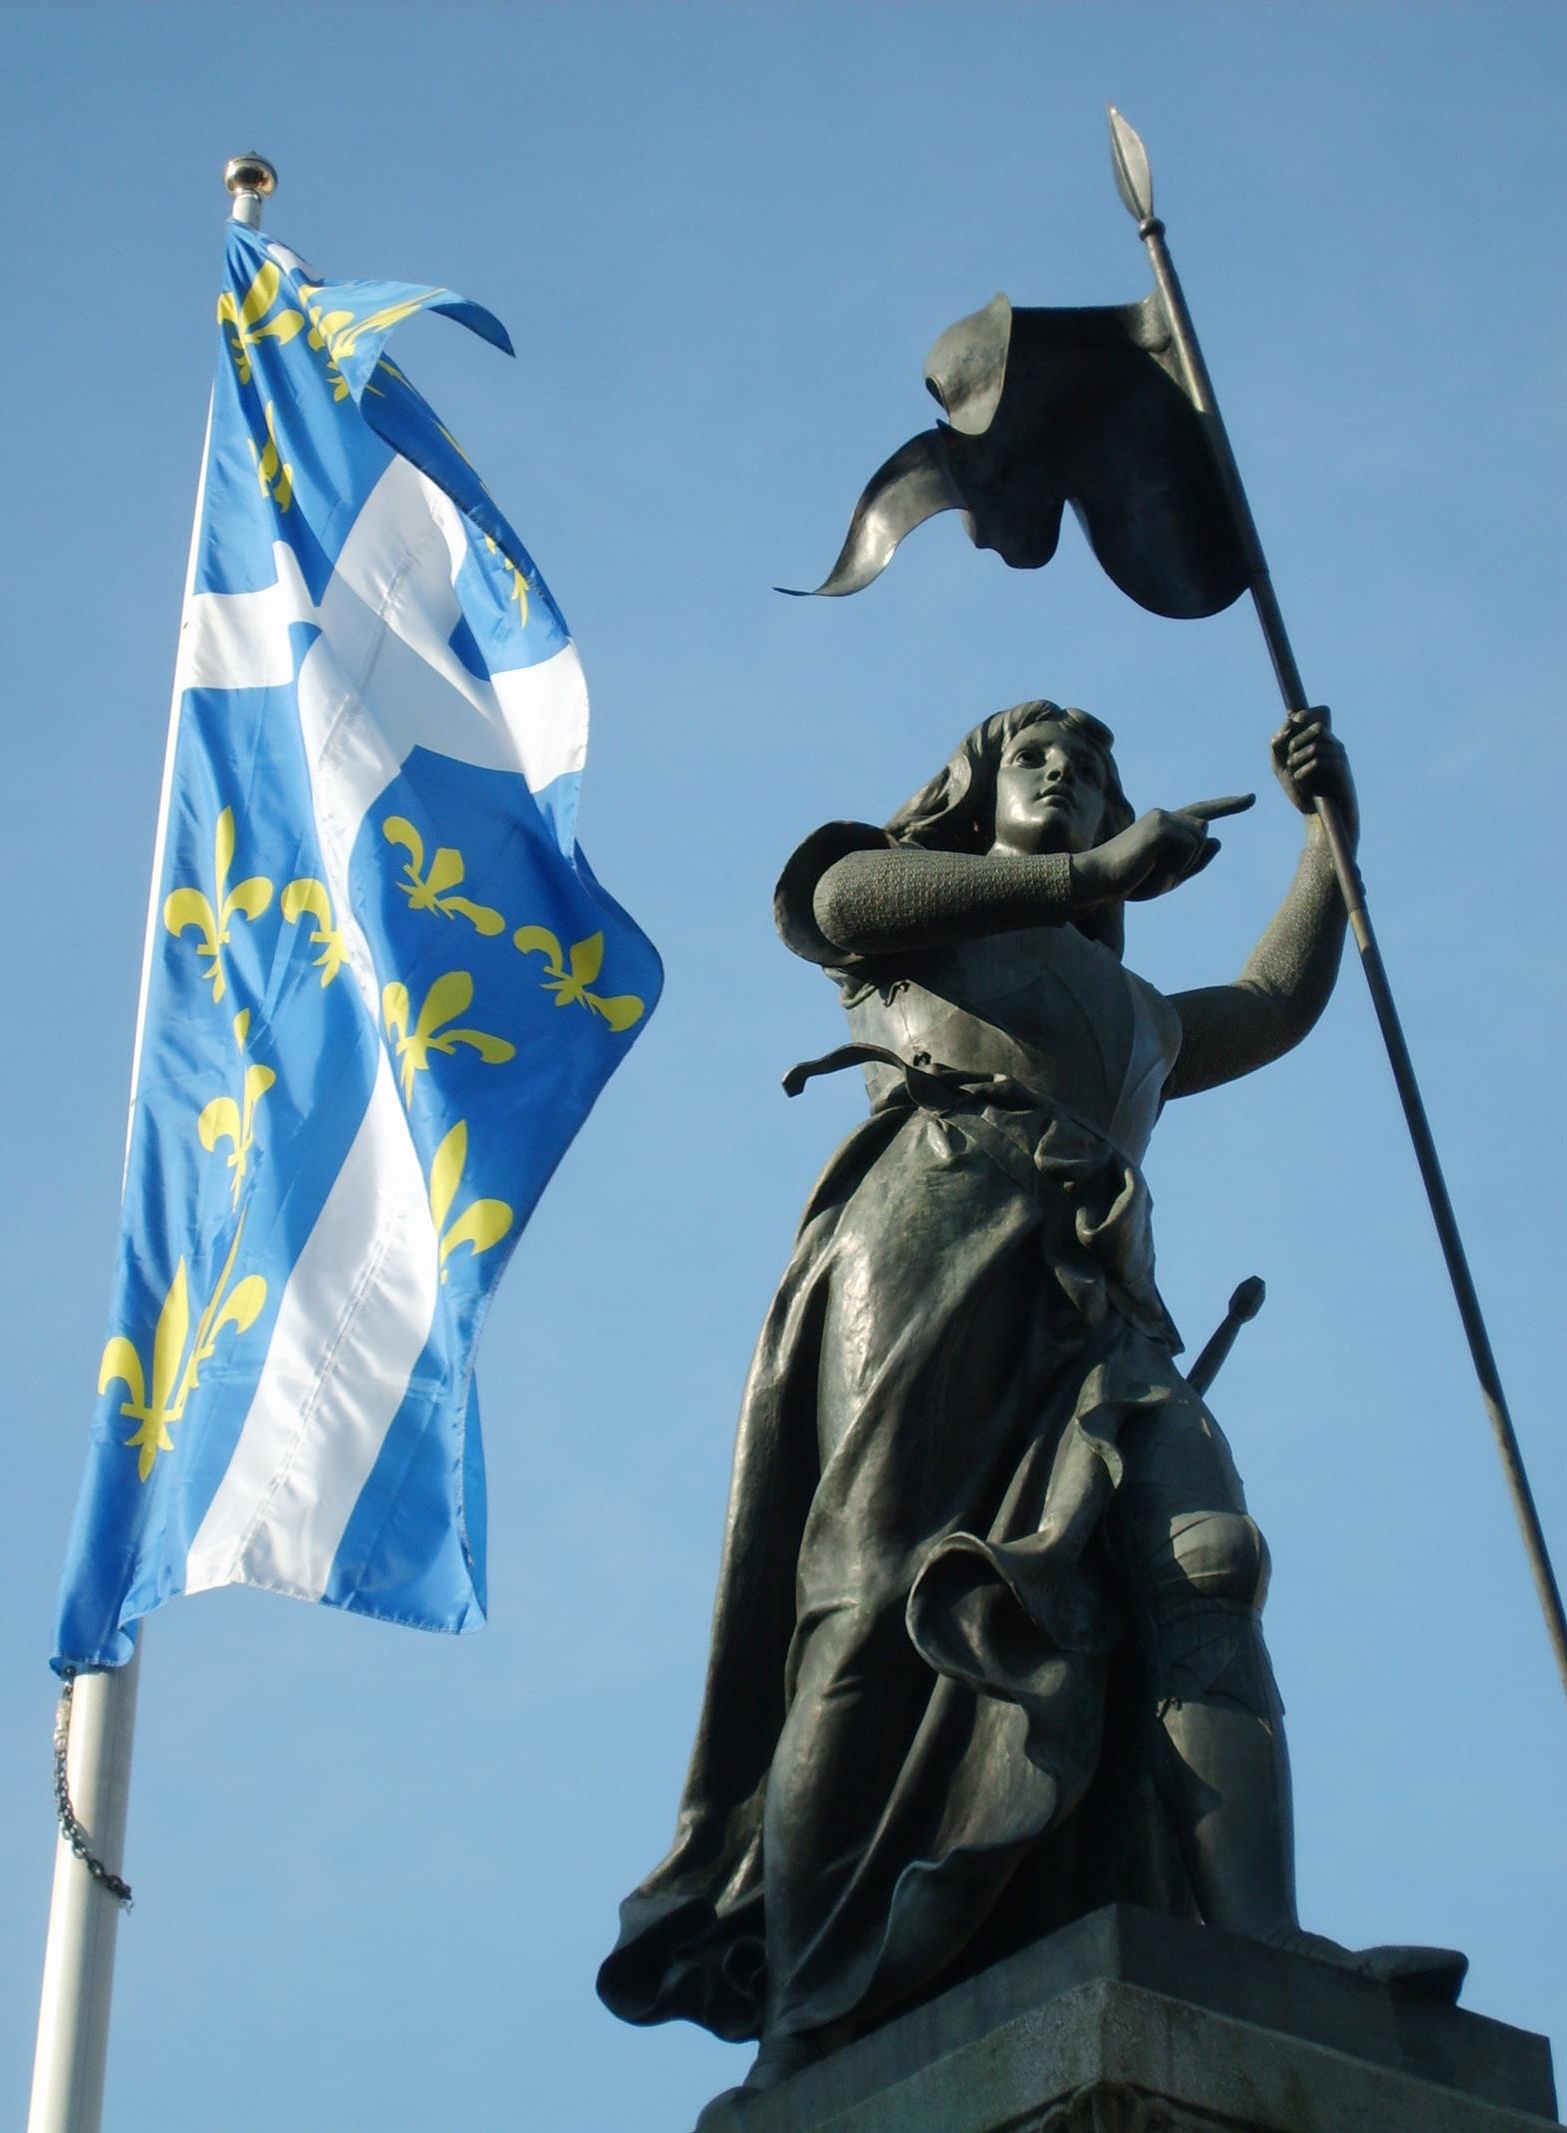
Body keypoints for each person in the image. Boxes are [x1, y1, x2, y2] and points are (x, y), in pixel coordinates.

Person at [598, 701, 1462, 2107]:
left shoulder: (1133, 1013)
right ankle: (811, 2002)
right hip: (931, 1234)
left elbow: (1275, 1002)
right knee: (873, 1607)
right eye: (1034, 759)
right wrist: (1088, 874)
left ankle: (1263, 1947)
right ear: (973, 791)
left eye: (1094, 766)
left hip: (1102, 1306)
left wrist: (1327, 838)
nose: (1067, 776)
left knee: (1205, 1564)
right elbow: (830, 894)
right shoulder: (914, 917)